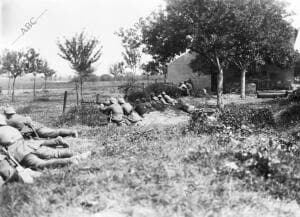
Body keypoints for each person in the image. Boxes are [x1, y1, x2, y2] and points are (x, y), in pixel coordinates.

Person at [0, 115, 87, 170]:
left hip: (18, 151)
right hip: (29, 145)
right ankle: (79, 154)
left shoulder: (9, 124)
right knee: (55, 153)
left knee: (41, 164)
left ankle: (69, 161)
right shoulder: (11, 128)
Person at [4, 107, 78, 139]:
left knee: (53, 133)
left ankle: (72, 132)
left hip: (35, 129)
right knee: (52, 131)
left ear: (7, 114)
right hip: (36, 126)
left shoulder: (11, 120)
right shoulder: (17, 116)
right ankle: (70, 132)